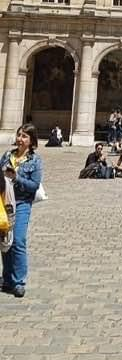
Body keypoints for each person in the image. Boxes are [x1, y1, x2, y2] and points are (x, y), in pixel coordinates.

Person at [0, 123, 43, 298]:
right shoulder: (7, 155)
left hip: (22, 202)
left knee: (18, 240)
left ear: (31, 141)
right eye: (19, 135)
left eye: (24, 136)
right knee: (5, 241)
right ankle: (7, 278)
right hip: (4, 202)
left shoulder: (35, 160)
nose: (20, 139)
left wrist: (17, 178)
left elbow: (34, 185)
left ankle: (18, 282)